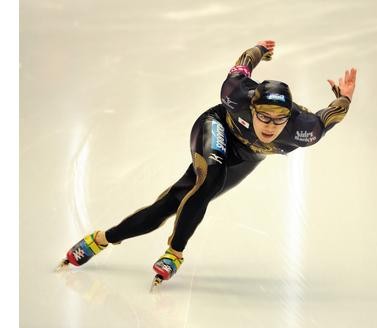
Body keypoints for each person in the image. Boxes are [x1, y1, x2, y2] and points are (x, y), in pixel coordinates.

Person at [58, 40, 357, 286]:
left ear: (290, 119)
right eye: (263, 116)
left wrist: (344, 98)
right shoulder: (235, 94)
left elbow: (330, 116)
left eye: (279, 119)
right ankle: (175, 253)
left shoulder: (305, 130)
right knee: (209, 179)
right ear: (251, 106)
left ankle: (101, 238)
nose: (269, 125)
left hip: (248, 156)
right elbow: (243, 64)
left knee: (176, 201)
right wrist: (259, 50)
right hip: (216, 126)